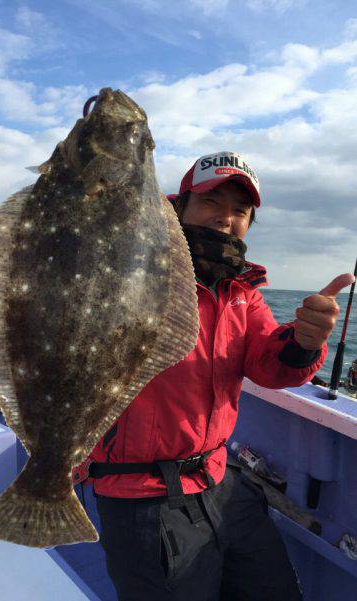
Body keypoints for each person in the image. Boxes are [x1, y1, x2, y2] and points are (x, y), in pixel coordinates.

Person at [72, 151, 355, 601]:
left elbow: (268, 364)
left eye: (240, 211)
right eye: (210, 202)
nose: (225, 218)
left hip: (220, 480)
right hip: (140, 496)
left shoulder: (241, 291)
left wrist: (304, 340)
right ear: (178, 206)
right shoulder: (129, 267)